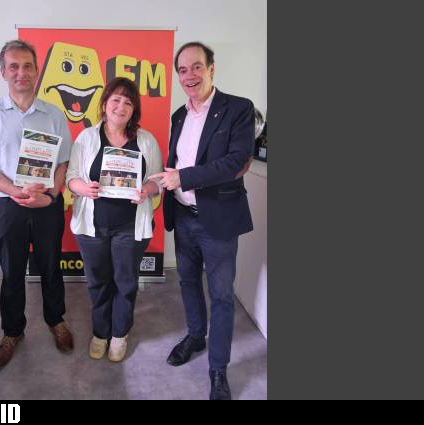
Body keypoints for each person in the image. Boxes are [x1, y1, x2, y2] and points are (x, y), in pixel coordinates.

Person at [0, 40, 74, 371]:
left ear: (37, 71)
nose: (21, 72)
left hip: (46, 204)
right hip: (5, 206)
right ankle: (12, 332)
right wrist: (14, 191)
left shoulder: (54, 114)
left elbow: (63, 163)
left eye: (27, 66)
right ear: (3, 72)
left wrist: (50, 196)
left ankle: (56, 320)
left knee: (51, 266)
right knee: (11, 272)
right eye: (14, 66)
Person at [150, 42, 254, 400]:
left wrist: (183, 178)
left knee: (222, 295)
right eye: (182, 70)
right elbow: (175, 161)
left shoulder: (238, 109)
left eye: (197, 67)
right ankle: (195, 336)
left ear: (211, 68)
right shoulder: (179, 115)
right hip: (182, 215)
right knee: (188, 281)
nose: (189, 75)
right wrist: (161, 181)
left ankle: (218, 369)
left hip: (218, 221)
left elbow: (236, 161)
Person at [66, 77, 163, 362]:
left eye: (128, 102)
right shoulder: (86, 138)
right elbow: (71, 177)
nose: (121, 107)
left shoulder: (146, 140)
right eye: (116, 100)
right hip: (92, 225)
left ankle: (119, 333)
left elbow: (157, 180)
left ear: (134, 110)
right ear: (105, 103)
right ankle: (100, 332)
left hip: (130, 227)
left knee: (125, 282)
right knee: (98, 282)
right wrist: (83, 188)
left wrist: (147, 190)